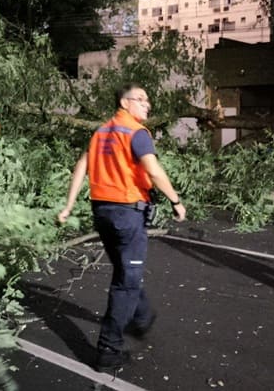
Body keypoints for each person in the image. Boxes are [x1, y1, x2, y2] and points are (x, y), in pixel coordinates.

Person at [57, 83, 186, 371]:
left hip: (102, 212)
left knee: (125, 270)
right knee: (126, 283)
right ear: (124, 103)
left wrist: (68, 205)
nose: (147, 104)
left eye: (147, 99)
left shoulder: (101, 132)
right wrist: (176, 200)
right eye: (140, 99)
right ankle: (108, 350)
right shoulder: (136, 133)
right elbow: (153, 170)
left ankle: (141, 318)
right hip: (127, 214)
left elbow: (81, 167)